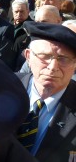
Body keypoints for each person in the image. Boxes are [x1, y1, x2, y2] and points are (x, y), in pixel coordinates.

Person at [16, 21, 76, 162]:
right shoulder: (2, 86)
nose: (53, 67)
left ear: (75, 65)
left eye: (64, 59)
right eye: (45, 56)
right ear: (28, 56)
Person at [11, 0, 33, 71]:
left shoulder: (32, 28)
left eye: (22, 11)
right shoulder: (7, 26)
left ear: (28, 11)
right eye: (16, 12)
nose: (19, 14)